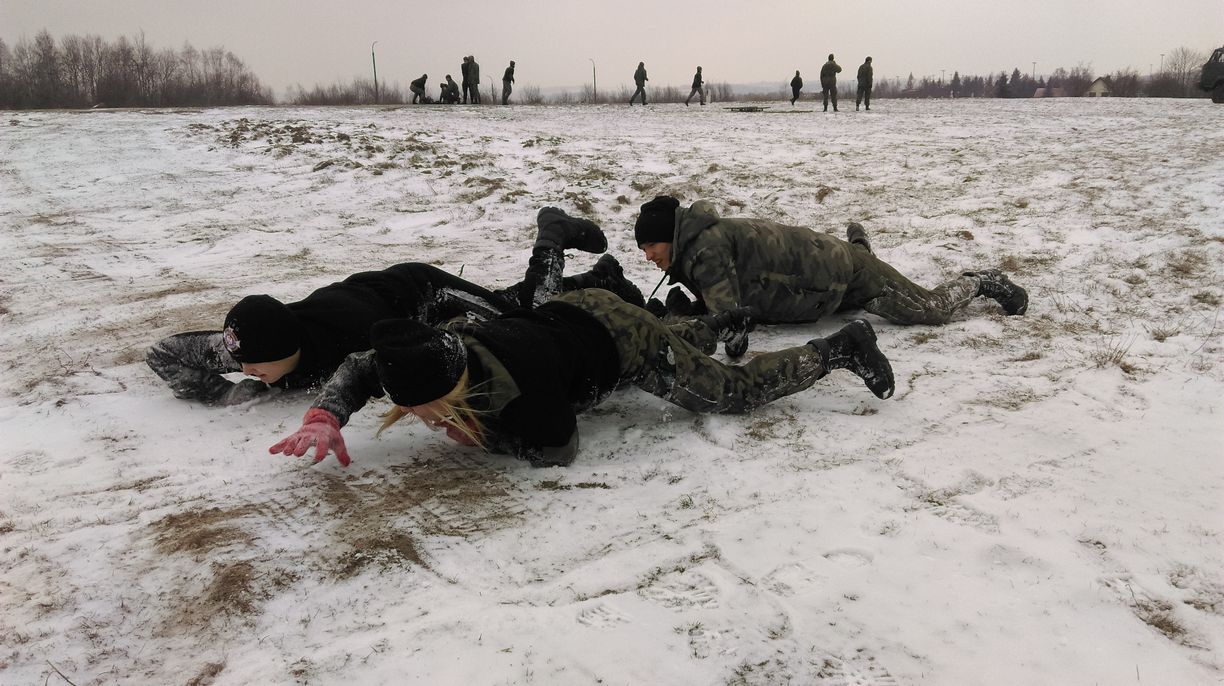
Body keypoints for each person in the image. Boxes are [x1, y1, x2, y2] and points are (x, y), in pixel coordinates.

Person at [269, 293, 894, 468]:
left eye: (423, 412)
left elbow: (559, 446)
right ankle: (721, 322)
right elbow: (362, 365)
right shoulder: (428, 352)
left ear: (448, 391)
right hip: (574, 312)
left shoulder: (520, 394)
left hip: (621, 340)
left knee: (729, 394)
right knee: (680, 340)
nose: (422, 422)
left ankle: (838, 348)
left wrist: (488, 439)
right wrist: (325, 415)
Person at [147, 209, 643, 406]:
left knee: (525, 322)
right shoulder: (249, 345)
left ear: (289, 347)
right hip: (375, 295)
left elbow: (399, 367)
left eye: (255, 366)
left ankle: (551, 236)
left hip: (424, 296)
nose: (246, 370)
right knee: (507, 305)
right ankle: (600, 281)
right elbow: (163, 353)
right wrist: (223, 393)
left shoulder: (355, 338)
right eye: (242, 364)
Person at [633, 196, 1029, 356]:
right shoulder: (700, 243)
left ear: (671, 236)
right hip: (818, 283)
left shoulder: (705, 250)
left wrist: (685, 322)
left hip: (838, 276)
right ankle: (860, 248)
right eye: (643, 251)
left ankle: (983, 281)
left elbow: (733, 334)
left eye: (651, 246)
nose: (649, 256)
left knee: (930, 309)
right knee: (857, 266)